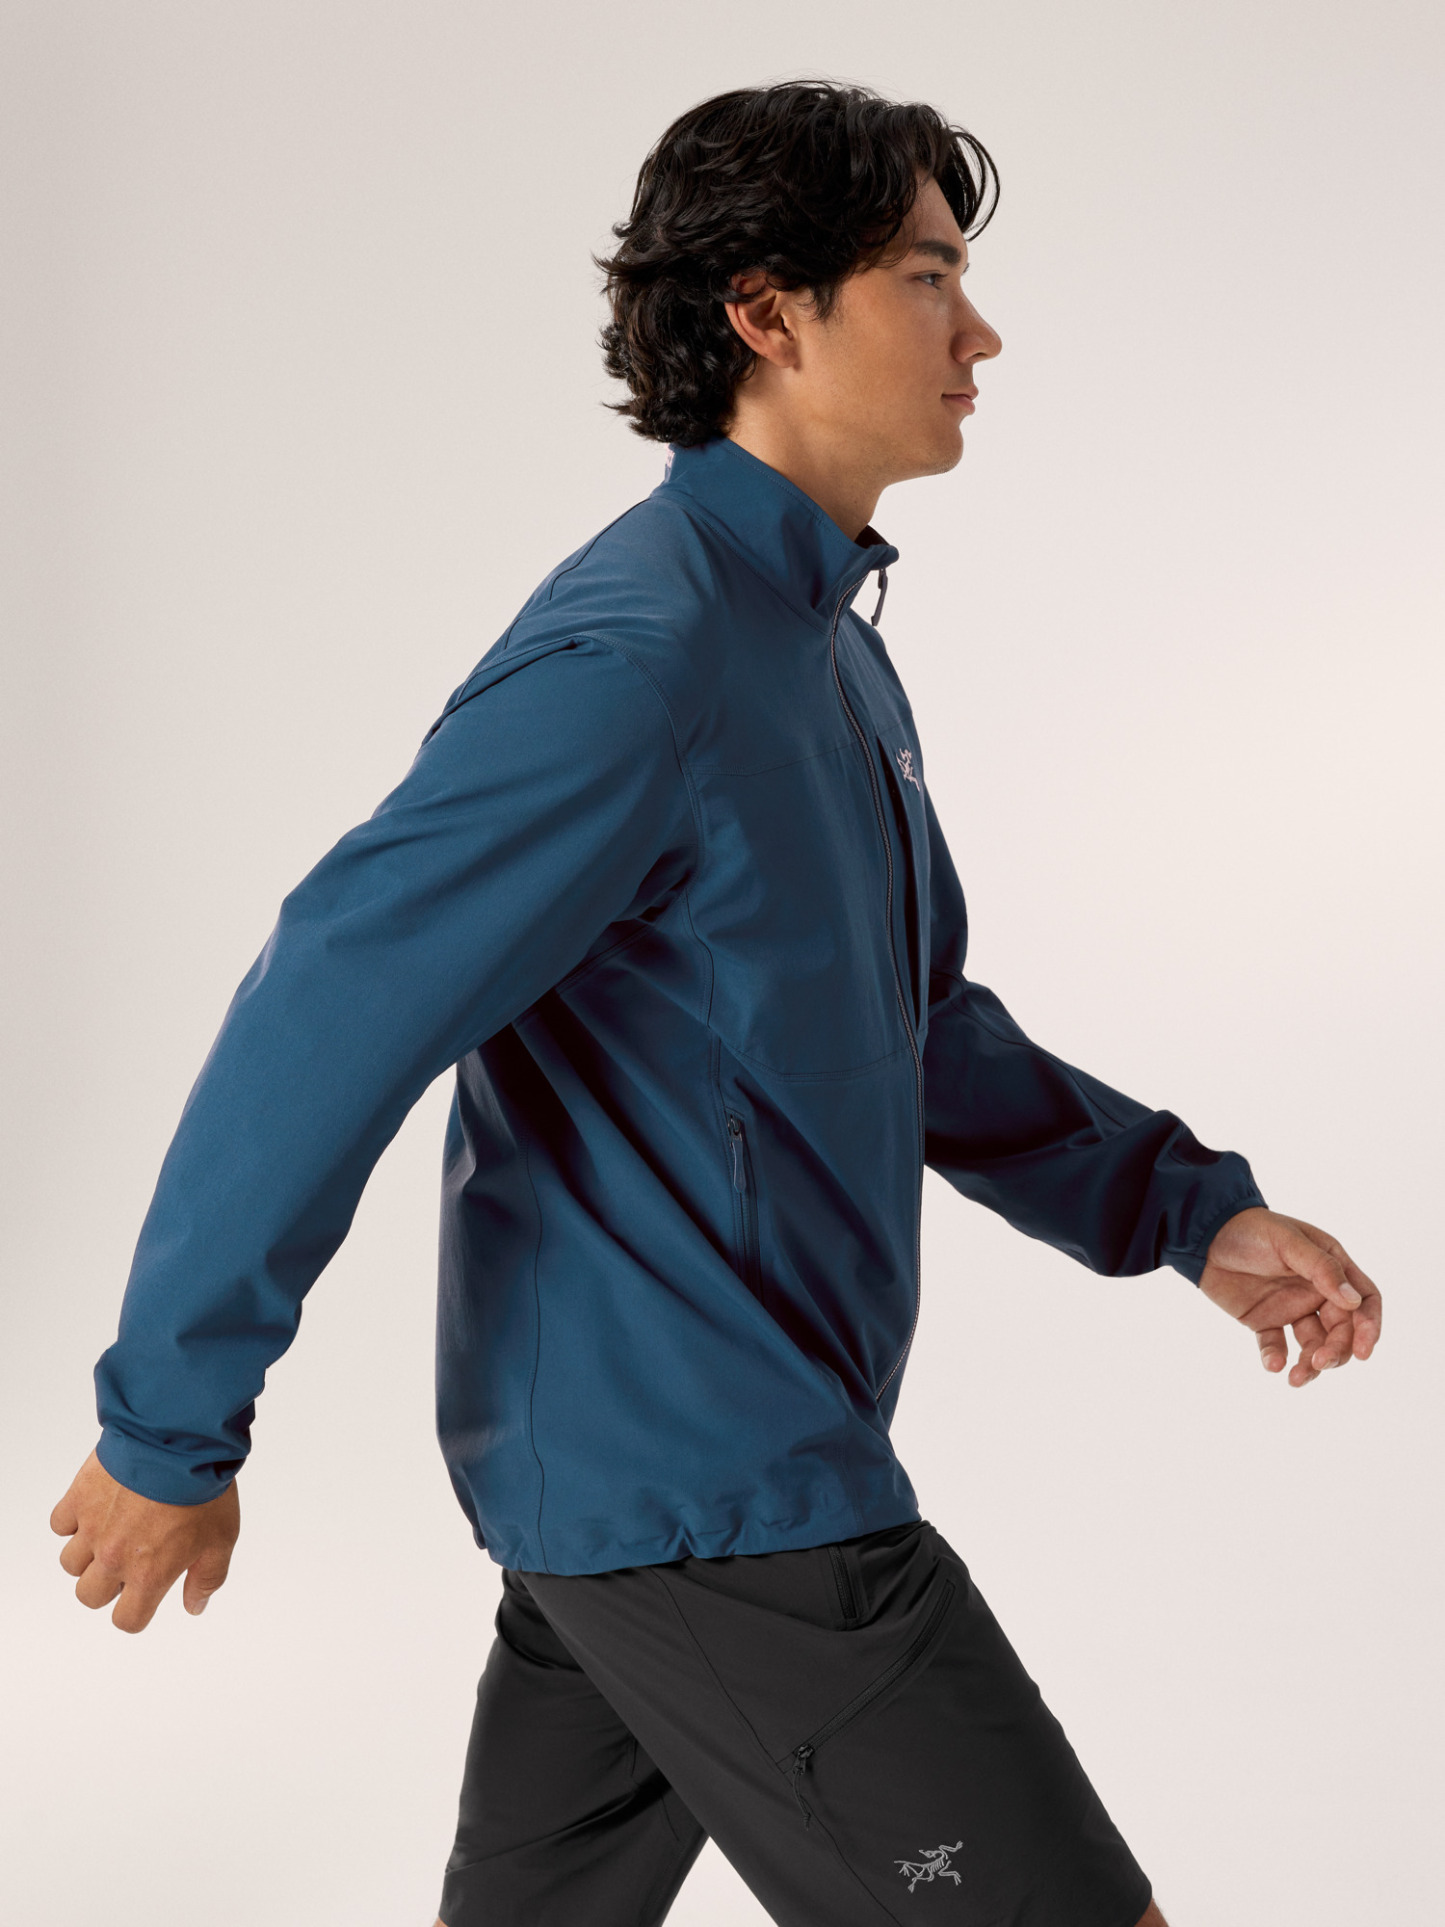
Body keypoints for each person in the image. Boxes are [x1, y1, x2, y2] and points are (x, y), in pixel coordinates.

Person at [51, 81, 1382, 1927]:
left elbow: (911, 1025)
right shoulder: (638, 659)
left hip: (658, 1493)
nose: (978, 334)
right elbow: (328, 1009)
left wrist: (1185, 1212)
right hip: (720, 1496)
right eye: (927, 278)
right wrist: (169, 1428)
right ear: (766, 313)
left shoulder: (816, 650)